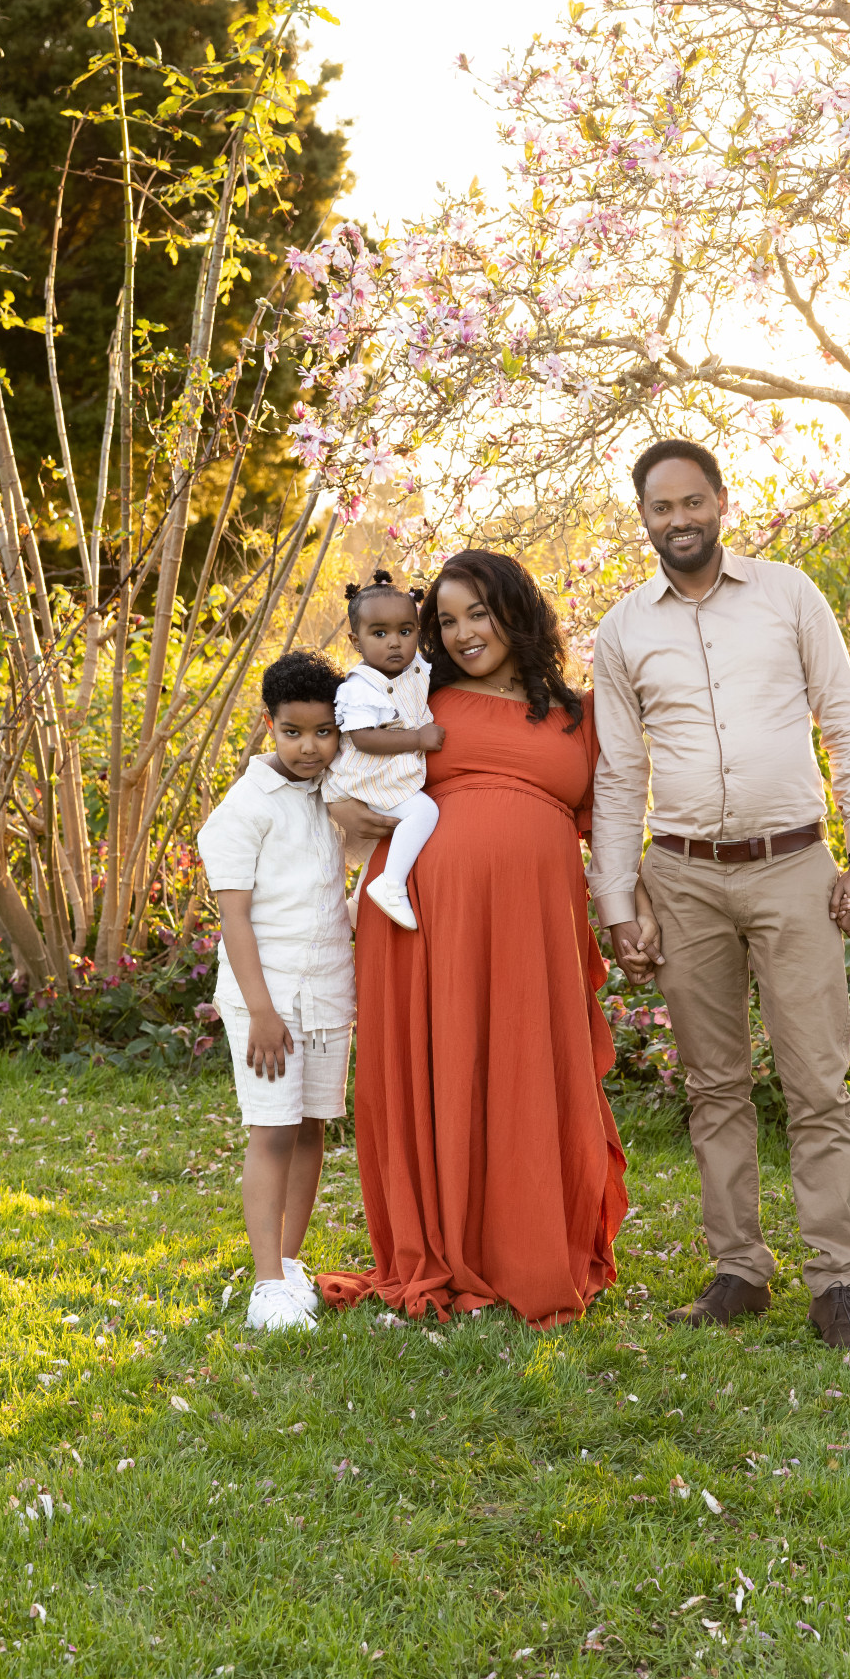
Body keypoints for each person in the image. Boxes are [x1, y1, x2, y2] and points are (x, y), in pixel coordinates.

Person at [590, 438, 850, 1352]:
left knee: (817, 1083)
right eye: (659, 508)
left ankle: (835, 1282)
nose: (677, 520)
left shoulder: (791, 596)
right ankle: (739, 1272)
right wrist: (617, 903)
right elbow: (616, 776)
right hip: (679, 876)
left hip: (794, 866)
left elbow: (845, 722)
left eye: (691, 503)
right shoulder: (623, 629)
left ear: (721, 503)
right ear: (642, 518)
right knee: (712, 1085)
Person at [321, 550, 658, 1328]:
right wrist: (338, 811)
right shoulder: (415, 694)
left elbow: (611, 827)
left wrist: (632, 913)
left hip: (534, 928)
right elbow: (310, 754)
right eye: (447, 619)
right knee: (434, 1073)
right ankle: (436, 1248)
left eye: (479, 612)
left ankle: (528, 1252)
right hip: (421, 919)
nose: (464, 632)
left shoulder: (578, 713)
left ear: (517, 610)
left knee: (524, 1072)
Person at [197, 650, 355, 1332]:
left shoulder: (335, 794)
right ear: (270, 726)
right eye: (293, 732)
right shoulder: (245, 806)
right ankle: (265, 1286)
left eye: (323, 732)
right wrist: (260, 1011)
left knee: (313, 1126)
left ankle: (291, 1266)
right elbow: (235, 915)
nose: (308, 747)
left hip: (327, 991)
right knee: (272, 1132)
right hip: (268, 999)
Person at [324, 569, 445, 931]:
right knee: (423, 814)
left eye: (405, 632)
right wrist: (418, 739)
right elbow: (363, 738)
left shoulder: (416, 668)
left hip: (387, 774)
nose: (394, 643)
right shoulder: (359, 687)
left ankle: (359, 903)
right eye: (380, 633)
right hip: (366, 775)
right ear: (355, 640)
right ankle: (390, 884)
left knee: (394, 834)